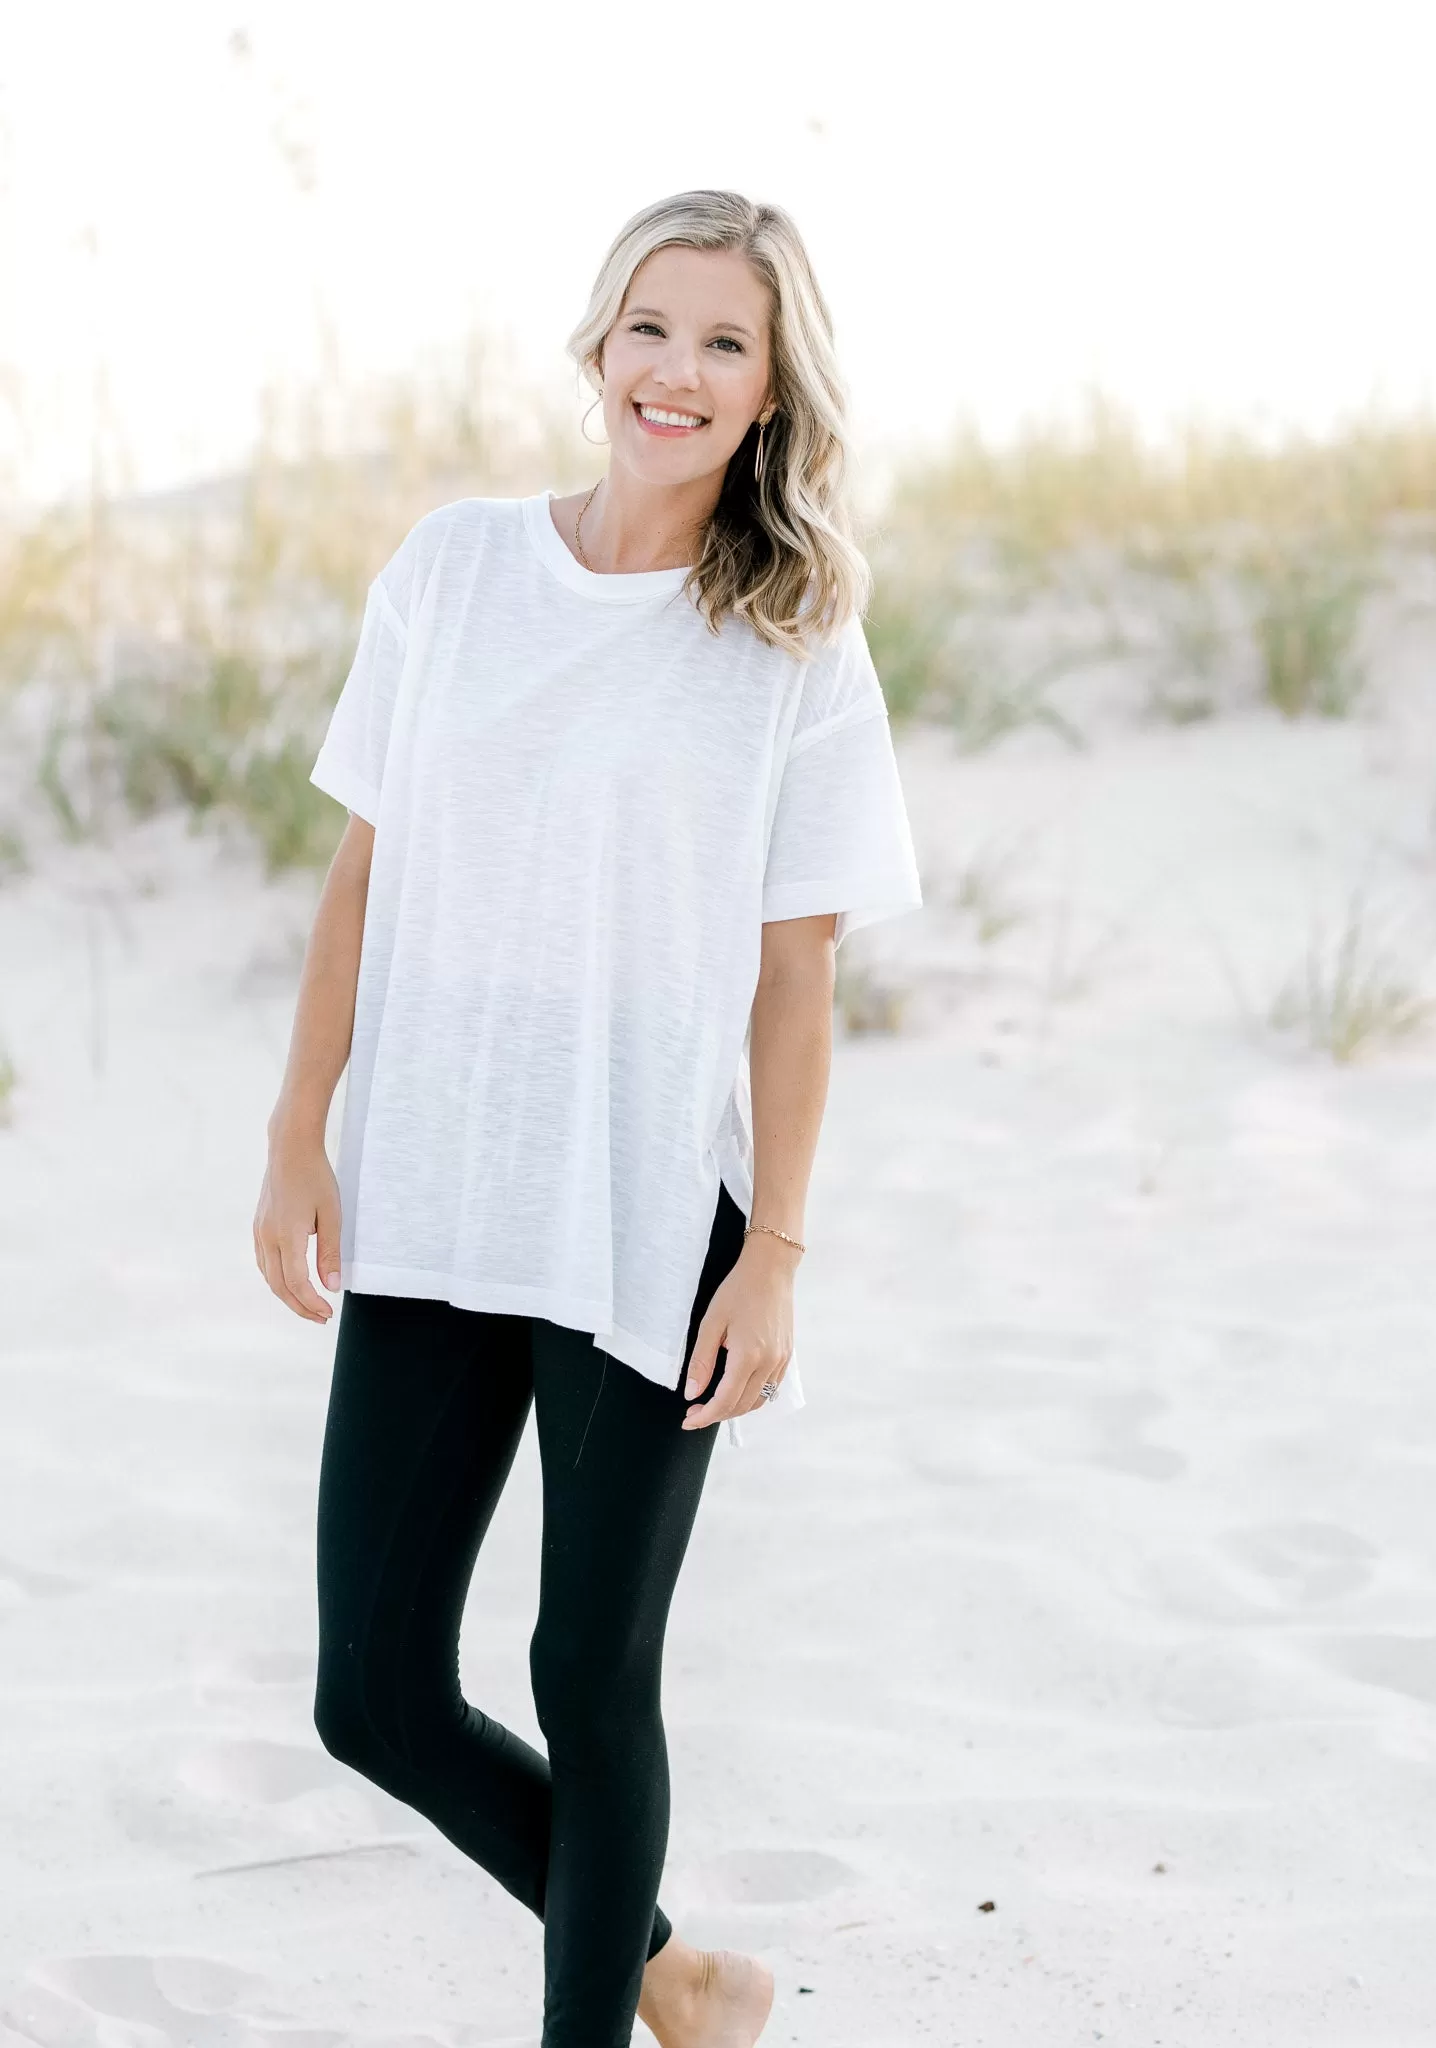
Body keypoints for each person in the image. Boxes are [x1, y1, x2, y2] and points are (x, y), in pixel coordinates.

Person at [253, 188, 922, 2048]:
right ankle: (666, 1975)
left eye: (723, 341)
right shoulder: (456, 568)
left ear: (772, 385)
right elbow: (360, 872)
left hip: (645, 1208)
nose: (676, 371)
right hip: (440, 1179)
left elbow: (799, 979)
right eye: (650, 326)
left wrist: (774, 1252)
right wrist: (302, 1125)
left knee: (583, 1673)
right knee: (372, 1688)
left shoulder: (794, 638)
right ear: (594, 346)